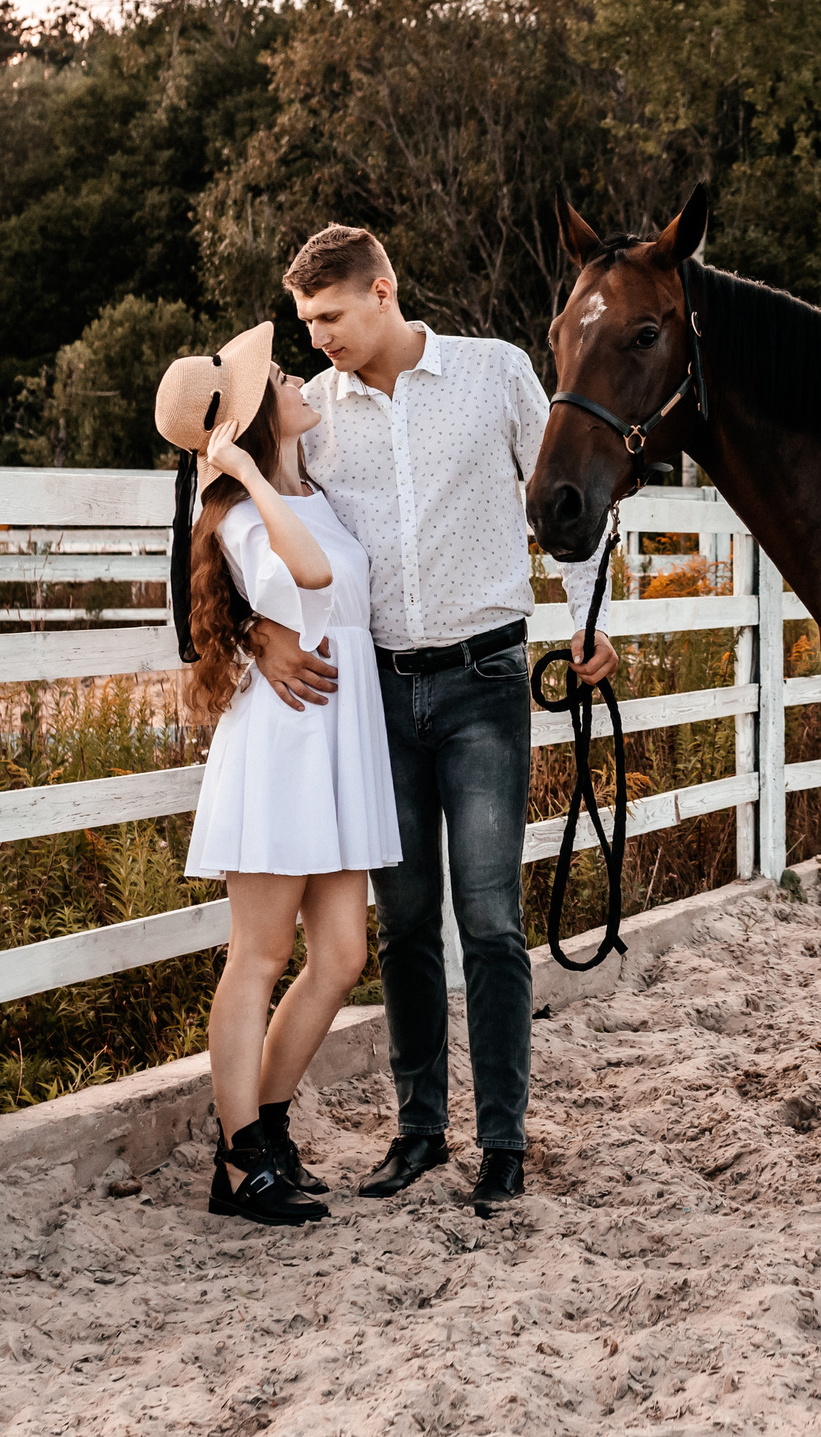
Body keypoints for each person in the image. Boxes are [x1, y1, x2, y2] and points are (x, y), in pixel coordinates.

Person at [249, 224, 616, 1214]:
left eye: (328, 316)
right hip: (376, 694)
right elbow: (227, 520)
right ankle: (419, 1134)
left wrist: (589, 620)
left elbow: (566, 500)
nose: (317, 336)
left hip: (483, 681)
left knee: (489, 919)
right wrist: (255, 635)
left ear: (381, 291)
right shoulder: (311, 415)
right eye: (306, 322)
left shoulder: (493, 374)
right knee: (406, 921)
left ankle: (502, 1144)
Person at [155, 322, 399, 1226]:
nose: (298, 377)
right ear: (256, 423)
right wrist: (250, 475)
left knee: (339, 956)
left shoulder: (316, 490)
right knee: (258, 955)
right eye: (282, 377)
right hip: (283, 747)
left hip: (335, 741)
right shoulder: (246, 511)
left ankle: (268, 1129)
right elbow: (308, 571)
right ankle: (240, 1158)